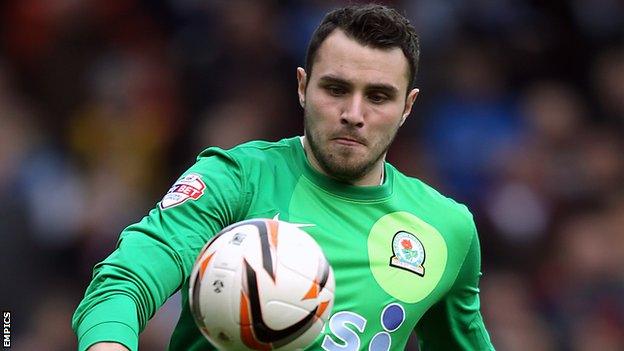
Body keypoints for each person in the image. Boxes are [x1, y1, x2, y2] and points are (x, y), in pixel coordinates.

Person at [73, 4, 495, 350]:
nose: (353, 113)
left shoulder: (446, 229)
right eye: (335, 89)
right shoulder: (236, 180)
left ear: (407, 107)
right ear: (302, 86)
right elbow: (126, 282)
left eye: (379, 96)